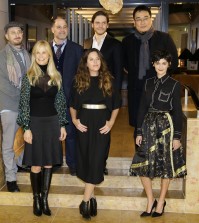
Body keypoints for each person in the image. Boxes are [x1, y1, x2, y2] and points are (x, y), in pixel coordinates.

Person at [129, 50, 187, 218]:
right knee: (141, 164)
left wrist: (177, 136)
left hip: (166, 128)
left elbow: (177, 112)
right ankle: (150, 199)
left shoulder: (175, 85)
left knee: (165, 166)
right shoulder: (147, 83)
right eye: (157, 63)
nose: (160, 66)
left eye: (164, 63)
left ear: (168, 65)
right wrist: (138, 131)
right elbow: (141, 108)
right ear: (153, 64)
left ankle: (161, 201)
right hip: (147, 126)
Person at [17, 40, 67, 216]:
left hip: (52, 123)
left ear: (49, 55)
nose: (41, 56)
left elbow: (60, 102)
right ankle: (36, 199)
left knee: (48, 163)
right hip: (35, 124)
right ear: (34, 56)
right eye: (37, 53)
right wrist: (27, 128)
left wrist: (62, 125)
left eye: (44, 53)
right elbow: (23, 104)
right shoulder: (28, 76)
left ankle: (45, 199)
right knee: (36, 164)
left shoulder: (56, 76)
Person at [70, 48, 121, 220]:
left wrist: (111, 122)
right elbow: (72, 104)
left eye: (97, 59)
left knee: (98, 160)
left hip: (101, 124)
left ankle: (84, 201)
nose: (95, 62)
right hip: (84, 123)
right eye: (91, 59)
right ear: (85, 63)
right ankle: (92, 198)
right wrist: (75, 121)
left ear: (101, 62)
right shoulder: (79, 80)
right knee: (85, 159)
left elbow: (116, 105)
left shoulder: (108, 80)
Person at [122, 5, 178, 129]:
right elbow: (125, 66)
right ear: (134, 22)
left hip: (160, 92)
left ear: (151, 19)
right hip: (136, 93)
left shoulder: (164, 38)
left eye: (145, 18)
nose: (142, 22)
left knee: (160, 128)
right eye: (138, 19)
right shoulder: (127, 41)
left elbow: (173, 63)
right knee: (139, 129)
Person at [84, 10, 123, 175]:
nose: (100, 25)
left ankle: (102, 163)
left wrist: (116, 95)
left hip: (106, 93)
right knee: (89, 129)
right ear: (92, 24)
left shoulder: (115, 44)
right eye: (97, 22)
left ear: (107, 25)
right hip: (88, 91)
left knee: (104, 130)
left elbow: (119, 73)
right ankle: (89, 161)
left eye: (103, 22)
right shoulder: (86, 43)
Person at [0, 21, 31, 192]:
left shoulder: (26, 54)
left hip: (25, 104)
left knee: (28, 137)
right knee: (8, 143)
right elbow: (4, 85)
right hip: (9, 105)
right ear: (7, 36)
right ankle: (11, 178)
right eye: (13, 32)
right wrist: (24, 97)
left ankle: (19, 164)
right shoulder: (2, 57)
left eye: (19, 32)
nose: (17, 35)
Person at [51, 17, 83, 176]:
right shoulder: (43, 49)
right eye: (58, 27)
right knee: (53, 132)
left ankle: (72, 163)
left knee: (71, 133)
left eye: (64, 27)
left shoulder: (77, 49)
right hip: (48, 101)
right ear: (52, 29)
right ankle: (55, 161)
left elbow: (82, 77)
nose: (62, 30)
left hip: (70, 100)